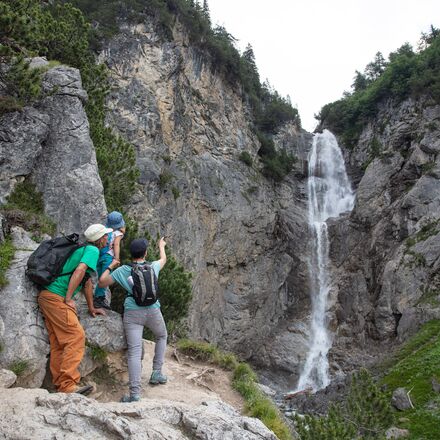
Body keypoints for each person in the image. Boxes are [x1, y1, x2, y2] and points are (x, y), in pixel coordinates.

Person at [37, 224, 112, 395]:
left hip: (46, 296)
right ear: (100, 239)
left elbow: (86, 282)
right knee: (75, 336)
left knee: (58, 342)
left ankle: (61, 385)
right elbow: (80, 270)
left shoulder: (82, 249)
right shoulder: (92, 251)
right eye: (106, 237)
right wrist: (69, 298)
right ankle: (69, 385)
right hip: (57, 298)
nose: (108, 239)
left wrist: (92, 307)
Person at [98, 237, 168, 402]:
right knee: (162, 336)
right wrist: (161, 246)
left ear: (131, 254)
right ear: (145, 253)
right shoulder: (153, 267)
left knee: (134, 352)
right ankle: (157, 372)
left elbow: (102, 283)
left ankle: (135, 394)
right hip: (153, 310)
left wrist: (110, 265)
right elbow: (163, 259)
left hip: (132, 312)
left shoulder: (123, 270)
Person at [93, 211, 126, 310]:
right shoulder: (118, 233)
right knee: (105, 278)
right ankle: (99, 299)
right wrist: (116, 258)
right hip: (108, 258)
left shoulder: (105, 231)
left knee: (100, 276)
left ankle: (97, 296)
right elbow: (116, 245)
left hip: (99, 255)